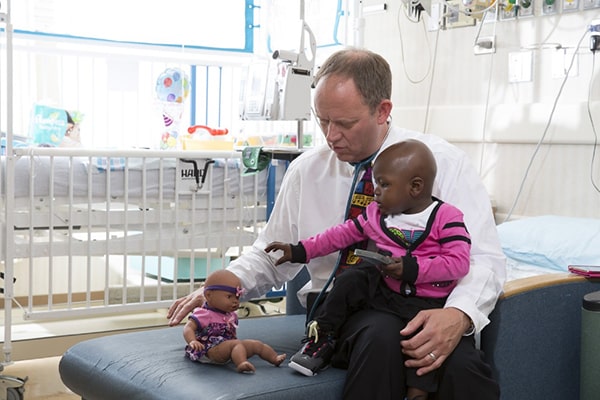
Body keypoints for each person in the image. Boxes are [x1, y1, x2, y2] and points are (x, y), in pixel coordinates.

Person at [168, 47, 506, 399]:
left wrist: (458, 314)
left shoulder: (444, 164)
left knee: (463, 367)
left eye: (344, 124)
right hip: (339, 310)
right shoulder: (307, 170)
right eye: (322, 121)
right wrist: (226, 283)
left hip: (425, 305)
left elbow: (484, 258)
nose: (330, 136)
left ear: (382, 111)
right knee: (381, 337)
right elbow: (270, 253)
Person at [265, 139, 471, 400]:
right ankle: (322, 338)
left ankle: (418, 392)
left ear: (415, 187)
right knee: (352, 279)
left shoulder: (447, 217)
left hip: (427, 303)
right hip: (385, 294)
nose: (376, 193)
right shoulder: (376, 214)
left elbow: (459, 262)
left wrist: (412, 268)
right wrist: (300, 250)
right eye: (376, 184)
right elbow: (340, 235)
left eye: (384, 185)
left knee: (420, 363)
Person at [182, 269, 287, 373]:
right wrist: (192, 341)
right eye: (229, 296)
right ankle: (241, 363)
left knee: (256, 344)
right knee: (236, 344)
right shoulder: (204, 314)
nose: (235, 301)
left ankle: (274, 358)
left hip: (229, 348)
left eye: (237, 297)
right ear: (209, 295)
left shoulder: (231, 315)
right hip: (209, 351)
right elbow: (188, 327)